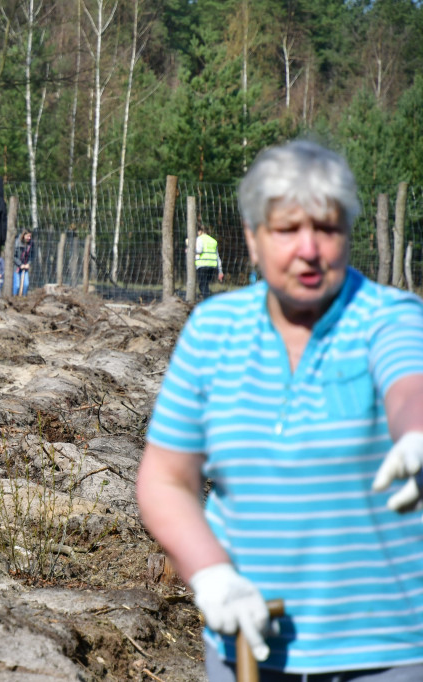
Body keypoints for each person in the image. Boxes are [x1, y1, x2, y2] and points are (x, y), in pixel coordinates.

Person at [135, 139, 423, 682]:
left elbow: (410, 385)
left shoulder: (390, 317)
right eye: (288, 230)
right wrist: (211, 573)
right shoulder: (213, 331)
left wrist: (416, 435)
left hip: (388, 650)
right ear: (253, 237)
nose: (309, 249)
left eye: (328, 229)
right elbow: (165, 480)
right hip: (247, 645)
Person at [195, 223, 224, 298]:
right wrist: (220, 270)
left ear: (200, 231)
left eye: (198, 231)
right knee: (205, 284)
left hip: (202, 264)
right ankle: (206, 298)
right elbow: (217, 256)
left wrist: (190, 250)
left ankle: (206, 300)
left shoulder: (199, 239)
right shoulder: (213, 241)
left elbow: (199, 250)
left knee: (202, 285)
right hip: (212, 265)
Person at [12, 230, 33, 296]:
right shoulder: (17, 242)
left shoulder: (31, 244)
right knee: (17, 285)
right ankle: (15, 297)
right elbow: (13, 256)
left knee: (26, 284)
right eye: (28, 236)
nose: (29, 238)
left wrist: (28, 264)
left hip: (25, 266)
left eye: (30, 236)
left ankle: (24, 298)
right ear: (23, 235)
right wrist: (20, 265)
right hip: (16, 267)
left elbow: (32, 255)